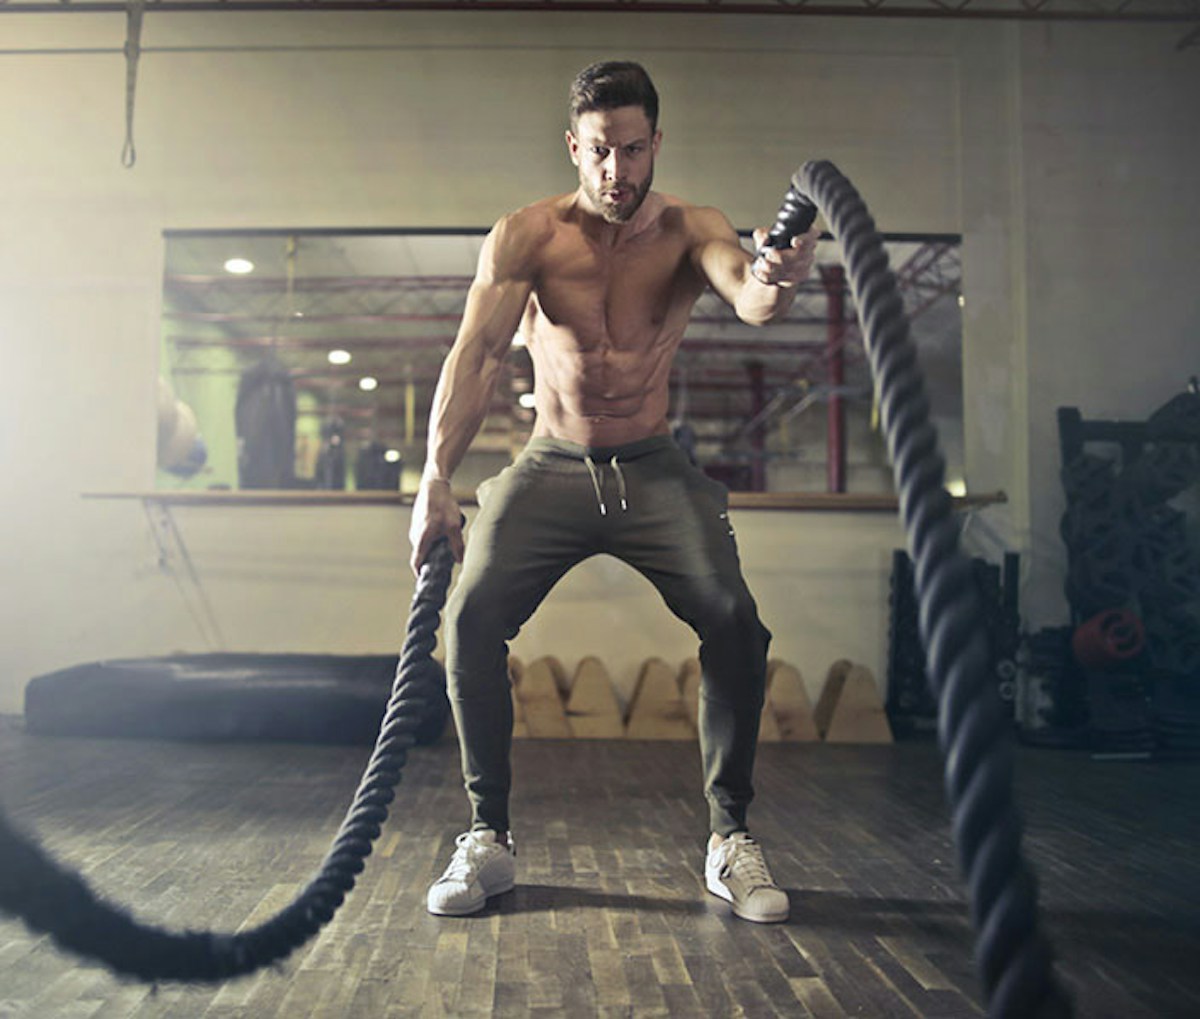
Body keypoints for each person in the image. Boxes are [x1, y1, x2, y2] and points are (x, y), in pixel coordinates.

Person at [409, 61, 818, 924]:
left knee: (736, 622)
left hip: (654, 467)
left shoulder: (688, 229)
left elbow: (749, 295)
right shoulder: (527, 236)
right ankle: (488, 836)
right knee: (471, 620)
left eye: (633, 150)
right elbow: (478, 354)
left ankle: (729, 839)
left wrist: (780, 275)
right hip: (551, 463)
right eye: (600, 151)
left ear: (656, 144)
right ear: (574, 146)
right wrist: (436, 479)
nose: (616, 171)